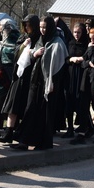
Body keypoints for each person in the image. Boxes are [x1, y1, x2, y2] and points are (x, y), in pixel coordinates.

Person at [11, 16, 68, 151]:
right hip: (35, 82)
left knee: (44, 114)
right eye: (41, 27)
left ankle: (43, 142)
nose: (42, 30)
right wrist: (34, 54)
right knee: (30, 110)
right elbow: (30, 58)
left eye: (45, 27)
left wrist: (53, 82)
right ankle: (24, 141)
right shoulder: (40, 41)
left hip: (49, 85)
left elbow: (60, 65)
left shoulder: (57, 43)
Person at [0, 14, 40, 144]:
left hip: (30, 76)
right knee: (13, 103)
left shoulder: (39, 38)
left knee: (25, 106)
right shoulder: (22, 37)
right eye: (25, 25)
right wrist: (23, 46)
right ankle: (9, 131)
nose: (27, 28)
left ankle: (19, 131)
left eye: (29, 25)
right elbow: (16, 53)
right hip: (19, 75)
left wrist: (32, 52)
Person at [57, 20, 88, 138]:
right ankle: (69, 128)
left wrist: (81, 59)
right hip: (70, 76)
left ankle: (83, 129)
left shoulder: (86, 44)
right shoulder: (70, 43)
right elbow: (65, 59)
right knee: (68, 103)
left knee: (80, 104)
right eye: (75, 32)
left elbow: (88, 57)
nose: (76, 34)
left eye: (79, 32)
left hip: (81, 76)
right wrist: (71, 60)